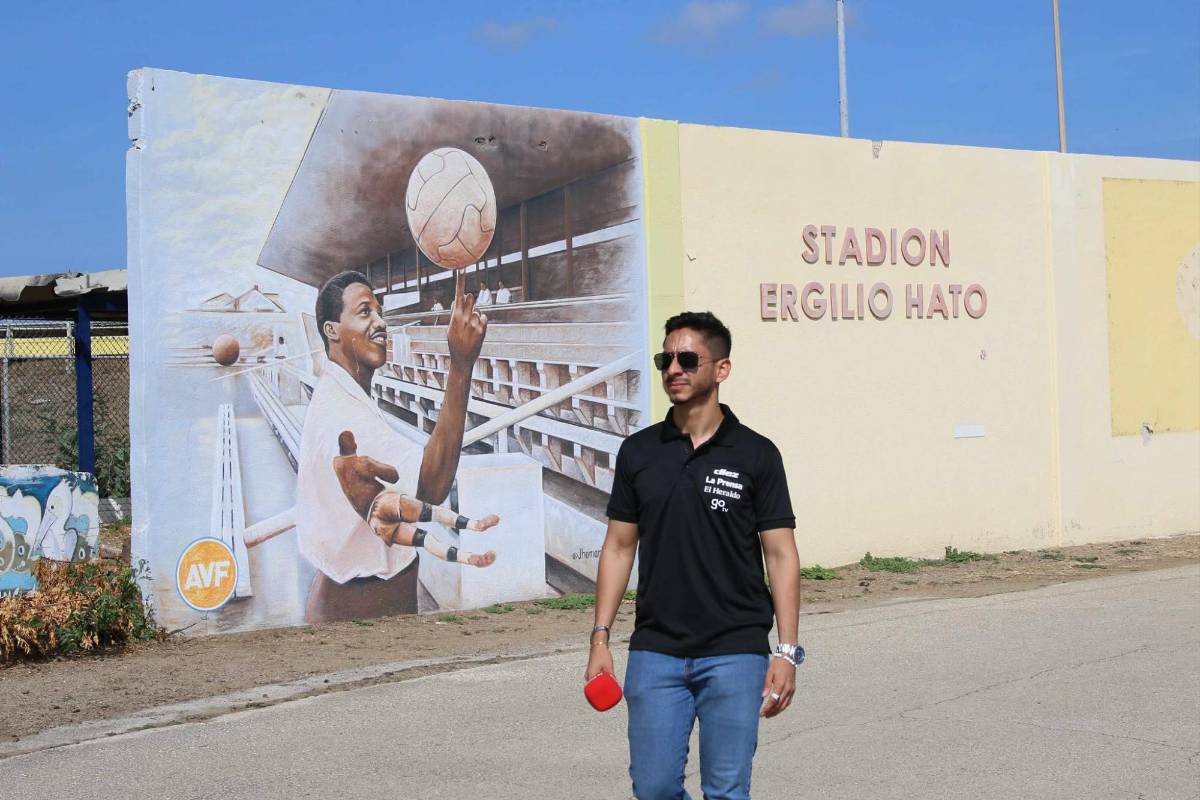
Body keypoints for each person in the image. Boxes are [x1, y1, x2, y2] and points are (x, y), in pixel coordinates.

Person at [586, 311, 803, 799]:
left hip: (736, 650)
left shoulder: (756, 454)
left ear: (721, 369)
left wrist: (786, 651)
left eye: (687, 359)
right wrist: (600, 637)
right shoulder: (640, 452)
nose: (673, 369)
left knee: (726, 791)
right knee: (654, 788)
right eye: (667, 359)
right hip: (656, 651)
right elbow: (619, 547)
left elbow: (782, 556)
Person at [295, 269, 490, 623]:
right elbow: (430, 486)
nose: (380, 322)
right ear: (332, 331)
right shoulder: (344, 417)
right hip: (357, 611)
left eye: (380, 311)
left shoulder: (341, 394)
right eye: (365, 311)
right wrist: (461, 365)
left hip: (361, 608)